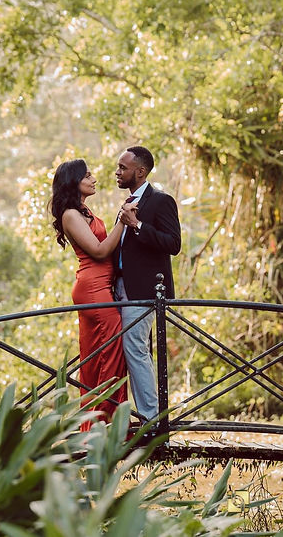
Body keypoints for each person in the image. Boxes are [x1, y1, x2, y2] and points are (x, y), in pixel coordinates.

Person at [50, 158, 128, 423]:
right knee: (111, 354)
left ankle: (103, 424)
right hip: (92, 288)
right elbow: (99, 251)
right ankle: (105, 425)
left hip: (102, 286)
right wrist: (122, 221)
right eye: (87, 176)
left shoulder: (83, 211)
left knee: (101, 356)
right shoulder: (70, 215)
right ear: (74, 182)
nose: (94, 179)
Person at [113, 146, 181, 421]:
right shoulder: (127, 202)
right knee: (127, 350)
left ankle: (151, 421)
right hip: (117, 288)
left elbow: (173, 244)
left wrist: (137, 225)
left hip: (144, 289)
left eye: (123, 168)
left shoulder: (161, 201)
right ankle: (129, 417)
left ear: (140, 172)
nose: (117, 172)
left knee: (135, 348)